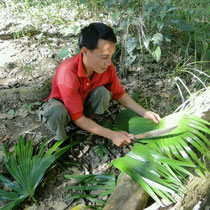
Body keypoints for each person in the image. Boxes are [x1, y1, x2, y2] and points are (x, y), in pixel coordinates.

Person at [38, 22, 160, 147]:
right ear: (85, 51)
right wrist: (113, 135)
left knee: (103, 93)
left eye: (110, 56)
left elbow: (120, 94)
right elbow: (77, 117)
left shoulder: (107, 67)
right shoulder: (67, 72)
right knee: (56, 113)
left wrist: (145, 113)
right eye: (104, 57)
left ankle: (89, 124)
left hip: (81, 107)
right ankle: (61, 141)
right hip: (63, 109)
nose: (108, 63)